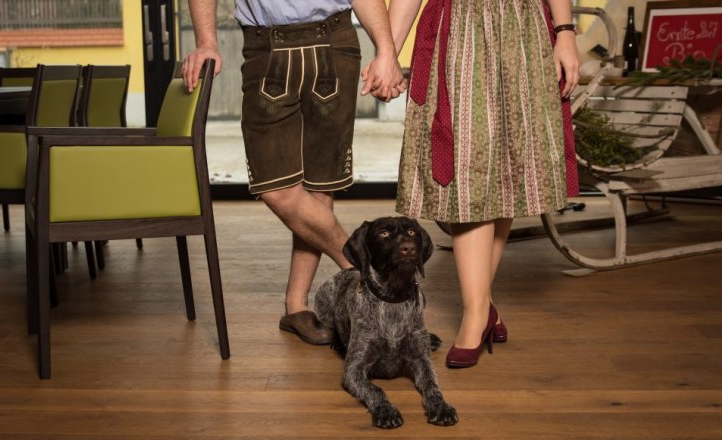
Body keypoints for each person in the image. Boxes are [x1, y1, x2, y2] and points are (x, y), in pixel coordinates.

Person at [182, 0, 405, 345]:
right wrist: (207, 41)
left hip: (333, 40)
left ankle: (295, 305)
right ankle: (365, 270)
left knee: (319, 189)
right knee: (276, 188)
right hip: (264, 47)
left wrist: (386, 49)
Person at [376, 0, 580, 368]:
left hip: (522, 29)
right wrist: (386, 52)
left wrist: (565, 33)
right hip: (459, 34)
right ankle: (476, 311)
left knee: (505, 168)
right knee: (468, 172)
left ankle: (480, 306)